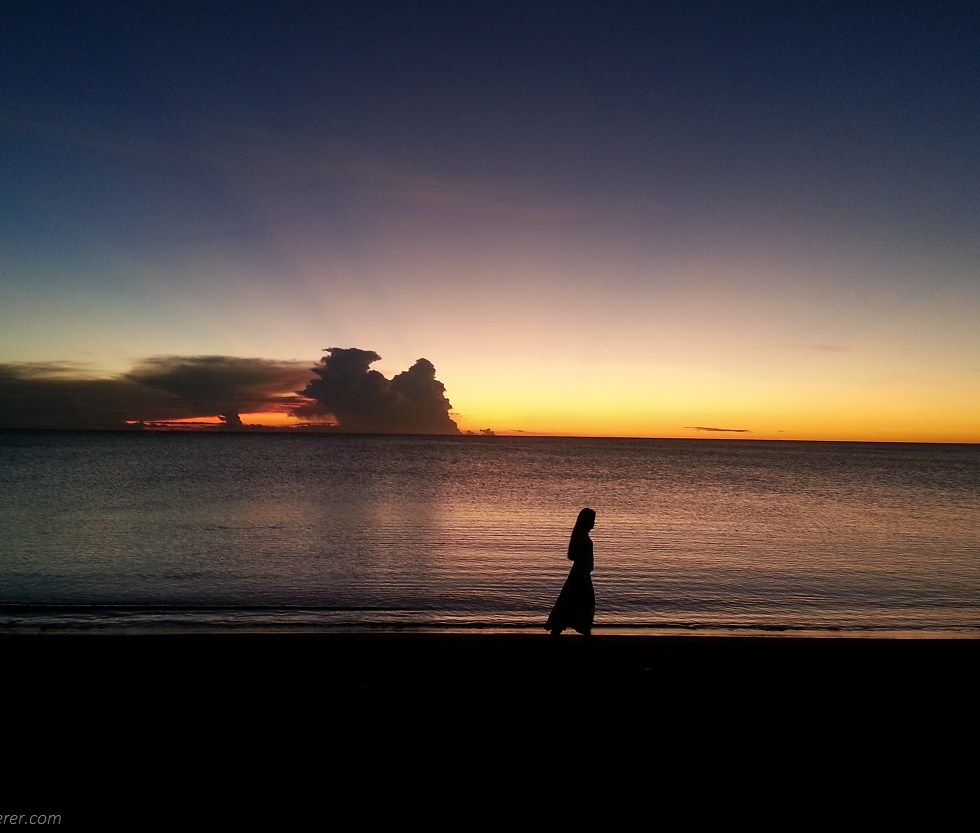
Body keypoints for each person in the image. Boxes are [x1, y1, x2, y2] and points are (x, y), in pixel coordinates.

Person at [545, 507, 596, 637]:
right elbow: (574, 555)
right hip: (580, 574)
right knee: (581, 600)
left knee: (573, 600)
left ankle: (578, 627)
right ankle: (581, 628)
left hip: (581, 573)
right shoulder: (581, 537)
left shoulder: (581, 535)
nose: (594, 523)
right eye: (592, 520)